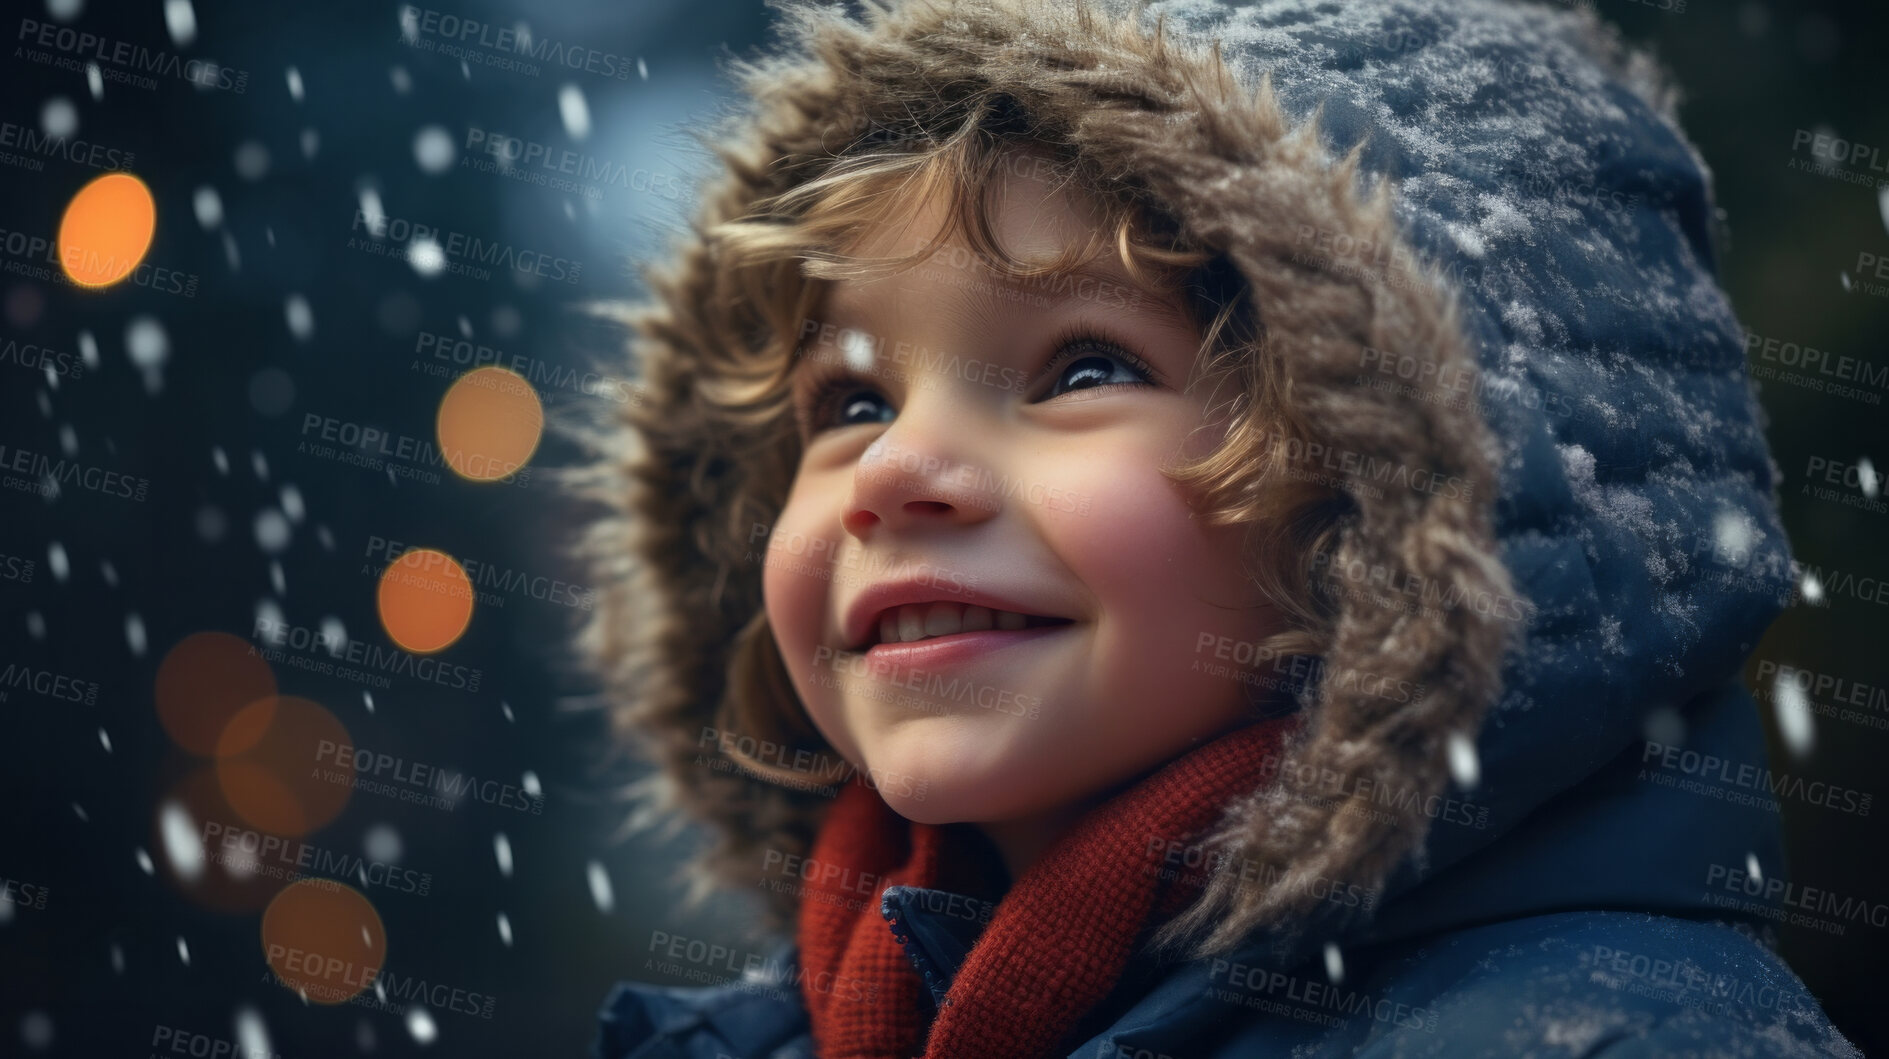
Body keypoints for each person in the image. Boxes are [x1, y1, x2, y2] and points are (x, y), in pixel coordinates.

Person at [576, 0, 1860, 1055]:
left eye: (1082, 370)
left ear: (1383, 496)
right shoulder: (800, 1025)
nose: (896, 469)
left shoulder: (1607, 1038)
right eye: (851, 399)